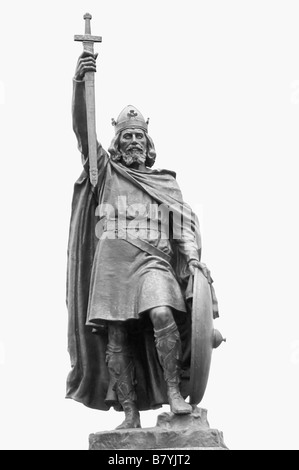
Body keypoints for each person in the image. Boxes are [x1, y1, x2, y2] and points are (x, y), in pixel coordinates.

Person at [66, 51, 210, 429]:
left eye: (138, 137)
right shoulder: (105, 172)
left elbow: (184, 229)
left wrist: (193, 260)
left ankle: (175, 392)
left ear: (148, 145)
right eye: (126, 136)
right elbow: (84, 132)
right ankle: (129, 415)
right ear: (118, 144)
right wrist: (81, 84)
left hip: (153, 262)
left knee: (163, 313)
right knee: (117, 337)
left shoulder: (166, 182)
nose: (132, 142)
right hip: (113, 265)